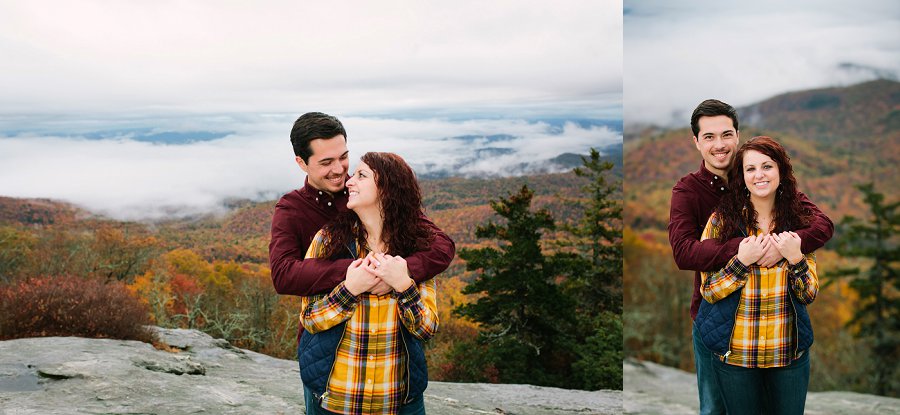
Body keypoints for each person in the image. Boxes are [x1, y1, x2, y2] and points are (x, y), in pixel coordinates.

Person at [667, 100, 833, 414]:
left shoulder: (767, 181)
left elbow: (823, 224)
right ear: (697, 142)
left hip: (778, 329)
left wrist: (786, 244)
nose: (719, 144)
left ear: (737, 135)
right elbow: (683, 252)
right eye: (709, 136)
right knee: (715, 409)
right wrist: (746, 249)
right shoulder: (688, 191)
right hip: (714, 316)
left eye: (726, 134)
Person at [268, 112, 455, 329]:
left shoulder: (369, 193)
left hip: (389, 336)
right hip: (327, 340)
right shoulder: (292, 209)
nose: (339, 170)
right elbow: (283, 275)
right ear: (302, 162)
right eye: (326, 162)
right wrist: (359, 271)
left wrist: (398, 272)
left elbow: (442, 245)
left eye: (343, 157)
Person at [299, 152, 438, 415]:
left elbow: (427, 329)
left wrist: (404, 286)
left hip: (399, 402)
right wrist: (350, 290)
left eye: (361, 176)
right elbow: (310, 320)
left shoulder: (416, 248)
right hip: (336, 400)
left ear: (388, 190)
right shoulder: (327, 242)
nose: (349, 181)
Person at [695, 136, 818, 414]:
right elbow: (709, 291)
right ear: (741, 176)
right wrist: (741, 262)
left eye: (767, 166)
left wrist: (796, 258)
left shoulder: (798, 222)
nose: (759, 175)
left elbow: (808, 293)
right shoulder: (721, 221)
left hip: (787, 353)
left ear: (781, 172)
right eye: (751, 169)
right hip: (736, 354)